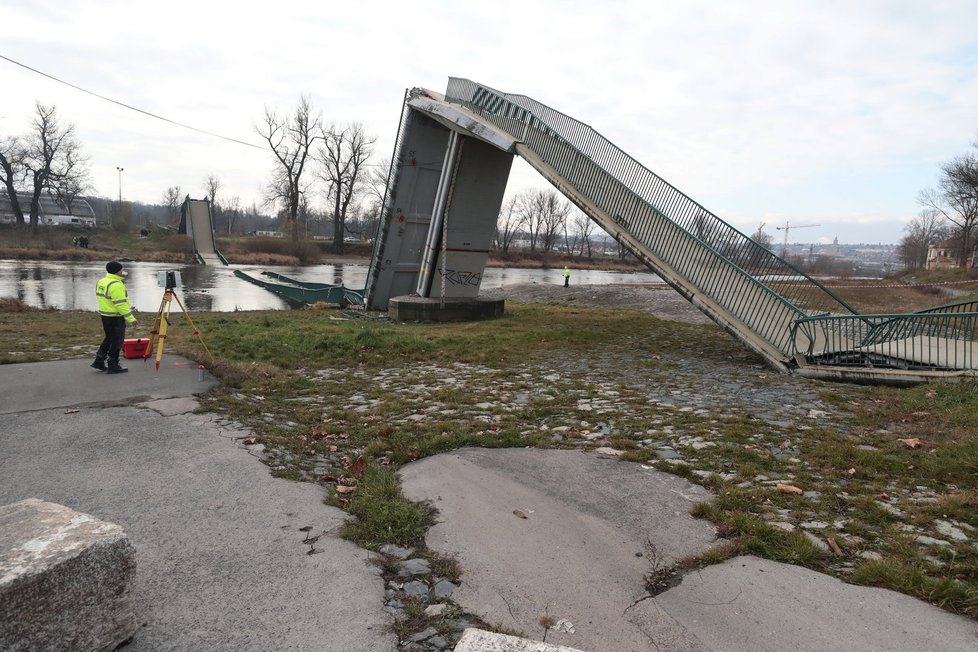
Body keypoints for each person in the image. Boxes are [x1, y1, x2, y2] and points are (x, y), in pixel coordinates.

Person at [92, 261, 138, 374]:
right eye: (121, 270)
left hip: (105, 315)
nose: (123, 272)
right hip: (115, 317)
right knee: (117, 341)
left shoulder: (102, 281)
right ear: (117, 271)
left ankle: (99, 360)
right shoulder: (116, 285)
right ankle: (113, 364)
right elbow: (120, 304)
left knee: (109, 338)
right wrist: (131, 319)